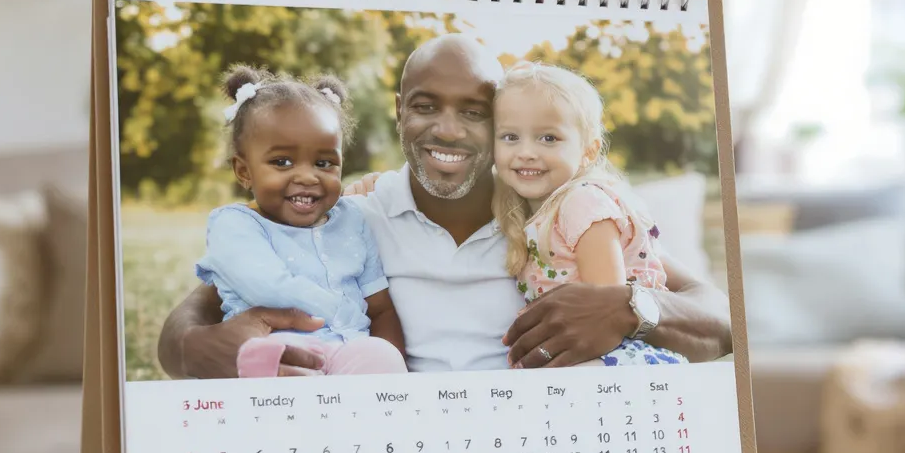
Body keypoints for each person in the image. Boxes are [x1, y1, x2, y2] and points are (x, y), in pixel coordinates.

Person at [157, 34, 732, 379]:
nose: (447, 130)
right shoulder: (351, 211)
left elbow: (721, 319)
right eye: (425, 106)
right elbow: (193, 316)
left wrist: (631, 307)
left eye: (475, 112)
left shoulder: (554, 213)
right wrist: (192, 347)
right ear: (400, 111)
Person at [190, 65, 407, 378]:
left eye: (324, 163)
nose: (307, 176)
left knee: (379, 354)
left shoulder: (351, 220)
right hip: (284, 348)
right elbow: (269, 289)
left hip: (349, 350)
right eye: (282, 162)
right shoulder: (234, 225)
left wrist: (392, 361)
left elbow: (380, 306)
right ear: (244, 171)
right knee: (276, 353)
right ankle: (256, 370)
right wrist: (342, 311)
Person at [492, 61, 685, 366]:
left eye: (548, 138)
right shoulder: (532, 209)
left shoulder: (582, 203)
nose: (526, 151)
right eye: (510, 137)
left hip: (613, 354)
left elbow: (606, 307)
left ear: (588, 151)